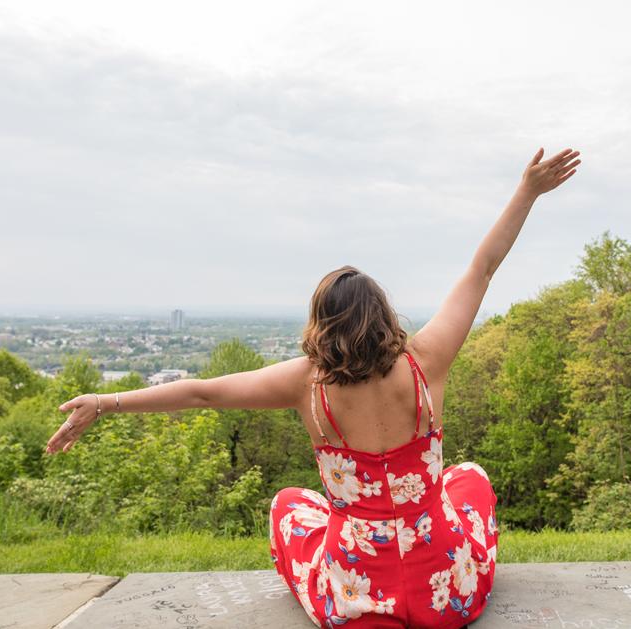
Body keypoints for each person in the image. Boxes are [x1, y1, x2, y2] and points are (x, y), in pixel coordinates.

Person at [44, 147, 581, 628]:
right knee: (470, 479)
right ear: (383, 314)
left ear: (322, 323)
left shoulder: (306, 384)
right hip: (446, 595)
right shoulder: (426, 361)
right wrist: (527, 191)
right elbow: (482, 268)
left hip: (358, 598)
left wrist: (106, 402)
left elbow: (202, 392)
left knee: (289, 504)